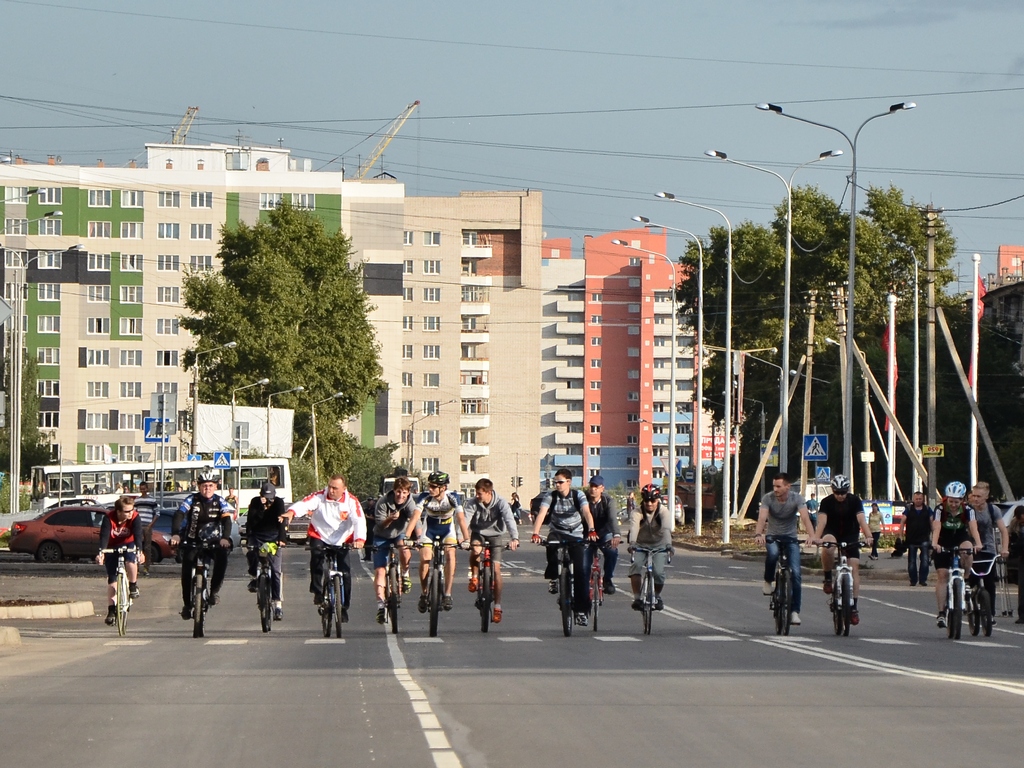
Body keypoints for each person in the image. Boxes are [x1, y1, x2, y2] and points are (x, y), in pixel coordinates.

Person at [285, 474, 366, 623]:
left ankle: (344, 607)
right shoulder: (320, 496)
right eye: (330, 486)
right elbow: (304, 504)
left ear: (344, 489)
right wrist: (291, 513)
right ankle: (317, 591)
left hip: (341, 538)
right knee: (316, 555)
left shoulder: (351, 501)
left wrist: (359, 540)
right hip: (320, 534)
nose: (331, 490)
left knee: (346, 574)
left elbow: (359, 520)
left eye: (335, 488)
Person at [530, 468, 598, 627]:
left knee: (581, 572)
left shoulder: (578, 495)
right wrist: (535, 533)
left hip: (575, 533)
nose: (557, 485)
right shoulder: (551, 496)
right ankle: (554, 577)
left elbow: (586, 512)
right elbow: (542, 513)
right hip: (557, 531)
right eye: (555, 482)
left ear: (569, 482)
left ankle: (581, 611)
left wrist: (592, 529)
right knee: (550, 545)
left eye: (560, 482)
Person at [170, 470, 233, 620]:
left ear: (215, 487)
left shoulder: (220, 501)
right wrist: (176, 534)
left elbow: (227, 520)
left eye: (210, 485)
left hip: (214, 541)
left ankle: (213, 593)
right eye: (204, 485)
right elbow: (179, 514)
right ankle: (186, 604)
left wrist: (225, 538)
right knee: (186, 570)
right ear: (199, 486)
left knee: (222, 559)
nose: (207, 488)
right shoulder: (192, 499)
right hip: (193, 541)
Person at [811, 474, 873, 626]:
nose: (840, 496)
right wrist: (817, 538)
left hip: (850, 534)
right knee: (829, 546)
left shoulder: (854, 501)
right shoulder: (826, 502)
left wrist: (869, 536)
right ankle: (827, 578)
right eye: (837, 492)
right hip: (831, 532)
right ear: (832, 491)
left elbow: (861, 520)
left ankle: (853, 608)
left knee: (854, 568)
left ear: (847, 491)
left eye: (843, 492)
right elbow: (822, 522)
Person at [754, 472, 814, 626]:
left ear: (788, 486)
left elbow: (805, 517)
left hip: (790, 538)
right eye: (774, 486)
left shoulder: (797, 499)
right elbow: (762, 518)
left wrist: (812, 535)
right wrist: (758, 534)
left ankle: (794, 612)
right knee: (773, 554)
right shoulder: (768, 498)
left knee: (796, 573)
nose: (775, 489)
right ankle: (768, 580)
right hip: (773, 537)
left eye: (779, 486)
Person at [465, 478, 519, 623]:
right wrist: (462, 538)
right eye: (476, 493)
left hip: (496, 535)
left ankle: (497, 606)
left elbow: (509, 520)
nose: (477, 496)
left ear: (489, 493)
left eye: (479, 493)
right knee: (475, 550)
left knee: (496, 569)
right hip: (478, 533)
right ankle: (475, 576)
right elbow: (464, 521)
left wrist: (515, 538)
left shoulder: (501, 502)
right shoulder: (472, 503)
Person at [414, 471, 469, 613]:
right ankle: (424, 593)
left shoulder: (453, 497)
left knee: (451, 555)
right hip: (429, 530)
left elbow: (461, 519)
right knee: (425, 558)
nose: (429, 489)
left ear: (443, 488)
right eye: (429, 485)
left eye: (433, 486)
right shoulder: (424, 497)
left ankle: (448, 594)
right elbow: (415, 518)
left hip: (447, 531)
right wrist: (407, 538)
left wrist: (466, 539)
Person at [931, 481, 982, 628]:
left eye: (957, 501)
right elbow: (937, 526)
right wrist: (935, 544)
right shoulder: (940, 509)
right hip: (943, 538)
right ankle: (941, 613)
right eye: (951, 501)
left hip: (960, 536)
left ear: (962, 500)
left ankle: (965, 580)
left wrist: (978, 543)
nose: (953, 505)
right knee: (943, 575)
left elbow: (973, 527)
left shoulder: (968, 509)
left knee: (967, 549)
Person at [372, 476, 421, 624]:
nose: (401, 496)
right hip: (381, 535)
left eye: (404, 493)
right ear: (394, 491)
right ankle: (381, 606)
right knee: (380, 570)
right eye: (398, 492)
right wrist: (390, 518)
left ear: (408, 493)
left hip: (400, 533)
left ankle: (405, 574)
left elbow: (416, 519)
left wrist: (419, 538)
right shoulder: (383, 502)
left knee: (404, 549)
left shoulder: (410, 502)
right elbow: (380, 525)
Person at [96, 495, 144, 626]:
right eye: (127, 511)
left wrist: (140, 551)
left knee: (130, 561)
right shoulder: (109, 518)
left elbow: (138, 534)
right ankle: (111, 611)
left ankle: (133, 585)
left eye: (132, 510)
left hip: (129, 543)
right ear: (118, 511)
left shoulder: (135, 517)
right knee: (112, 581)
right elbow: (104, 536)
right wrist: (101, 553)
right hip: (112, 546)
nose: (130, 513)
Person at [244, 481, 288, 621]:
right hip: (257, 535)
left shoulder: (279, 503)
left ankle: (277, 604)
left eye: (271, 498)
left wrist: (282, 539)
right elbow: (251, 521)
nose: (269, 501)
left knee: (275, 570)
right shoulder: (255, 502)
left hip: (274, 536)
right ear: (261, 495)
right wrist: (262, 508)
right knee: (252, 554)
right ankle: (253, 577)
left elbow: (282, 522)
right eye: (266, 497)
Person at [627, 484, 674, 611]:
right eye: (646, 500)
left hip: (659, 545)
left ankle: (657, 596)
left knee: (658, 572)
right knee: (636, 565)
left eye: (652, 500)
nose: (649, 504)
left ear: (657, 499)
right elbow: (634, 528)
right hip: (640, 544)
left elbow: (666, 530)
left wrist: (669, 545)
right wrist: (632, 543)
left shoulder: (664, 512)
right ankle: (637, 598)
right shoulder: (637, 512)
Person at [968, 482, 1009, 624]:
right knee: (971, 579)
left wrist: (1004, 548)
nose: (975, 499)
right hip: (970, 549)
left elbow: (1003, 530)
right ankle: (970, 598)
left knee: (989, 582)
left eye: (979, 496)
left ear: (986, 497)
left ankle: (990, 612)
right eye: (974, 495)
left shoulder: (993, 510)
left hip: (988, 549)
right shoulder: (968, 510)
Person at [582, 475, 621, 595]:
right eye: (591, 486)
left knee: (612, 552)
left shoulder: (608, 501)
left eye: (596, 487)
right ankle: (583, 583)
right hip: (586, 534)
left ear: (602, 488)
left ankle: (608, 580)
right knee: (583, 562)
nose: (593, 489)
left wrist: (616, 535)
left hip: (604, 533)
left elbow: (612, 519)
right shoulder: (583, 500)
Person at [899, 491, 933, 587]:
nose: (918, 501)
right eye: (916, 499)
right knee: (912, 562)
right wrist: (900, 537)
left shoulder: (927, 509)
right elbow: (902, 522)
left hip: (924, 539)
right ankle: (913, 580)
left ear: (923, 499)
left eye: (920, 499)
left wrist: (934, 537)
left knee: (925, 560)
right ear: (913, 499)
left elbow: (932, 522)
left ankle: (923, 580)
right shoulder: (909, 509)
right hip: (911, 540)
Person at [134, 481, 156, 576]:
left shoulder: (152, 500)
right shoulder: (137, 500)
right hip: (138, 526)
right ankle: (137, 568)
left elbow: (157, 514)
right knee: (138, 547)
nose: (142, 490)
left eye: (144, 488)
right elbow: (134, 513)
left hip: (148, 526)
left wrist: (150, 525)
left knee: (147, 547)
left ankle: (146, 568)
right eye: (141, 489)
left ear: (147, 489)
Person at [1007, 506, 1024, 623]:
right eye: (1021, 521)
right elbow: (1010, 537)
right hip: (1021, 556)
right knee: (1022, 586)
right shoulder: (1014, 524)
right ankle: (1022, 614)